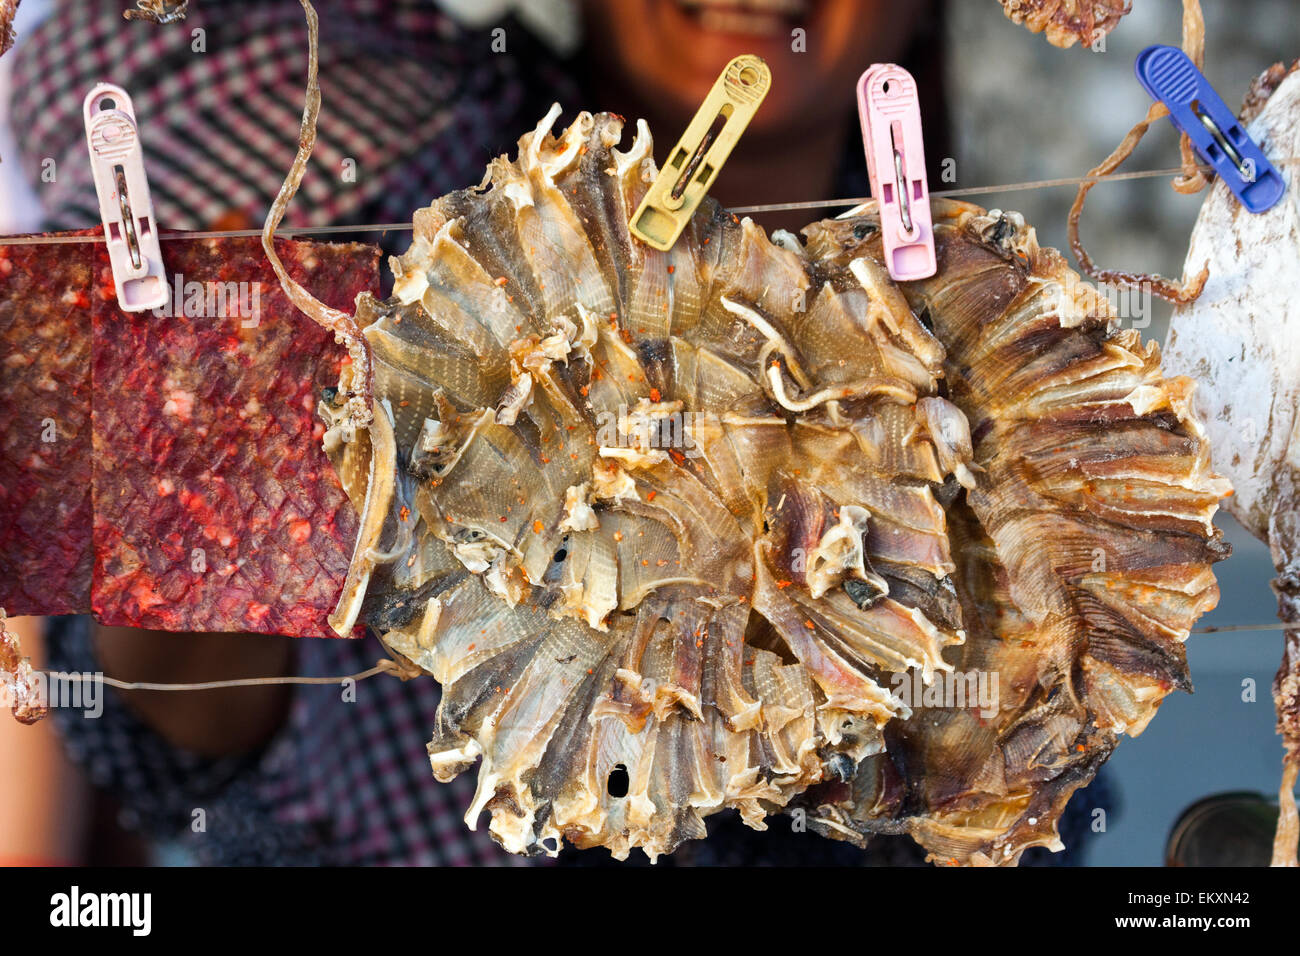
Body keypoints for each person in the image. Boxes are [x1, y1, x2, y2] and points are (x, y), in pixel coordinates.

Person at [2, 0, 1104, 865]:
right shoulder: (363, 160)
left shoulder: (994, 373)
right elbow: (156, 745)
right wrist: (208, 507)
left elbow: (1025, 795)